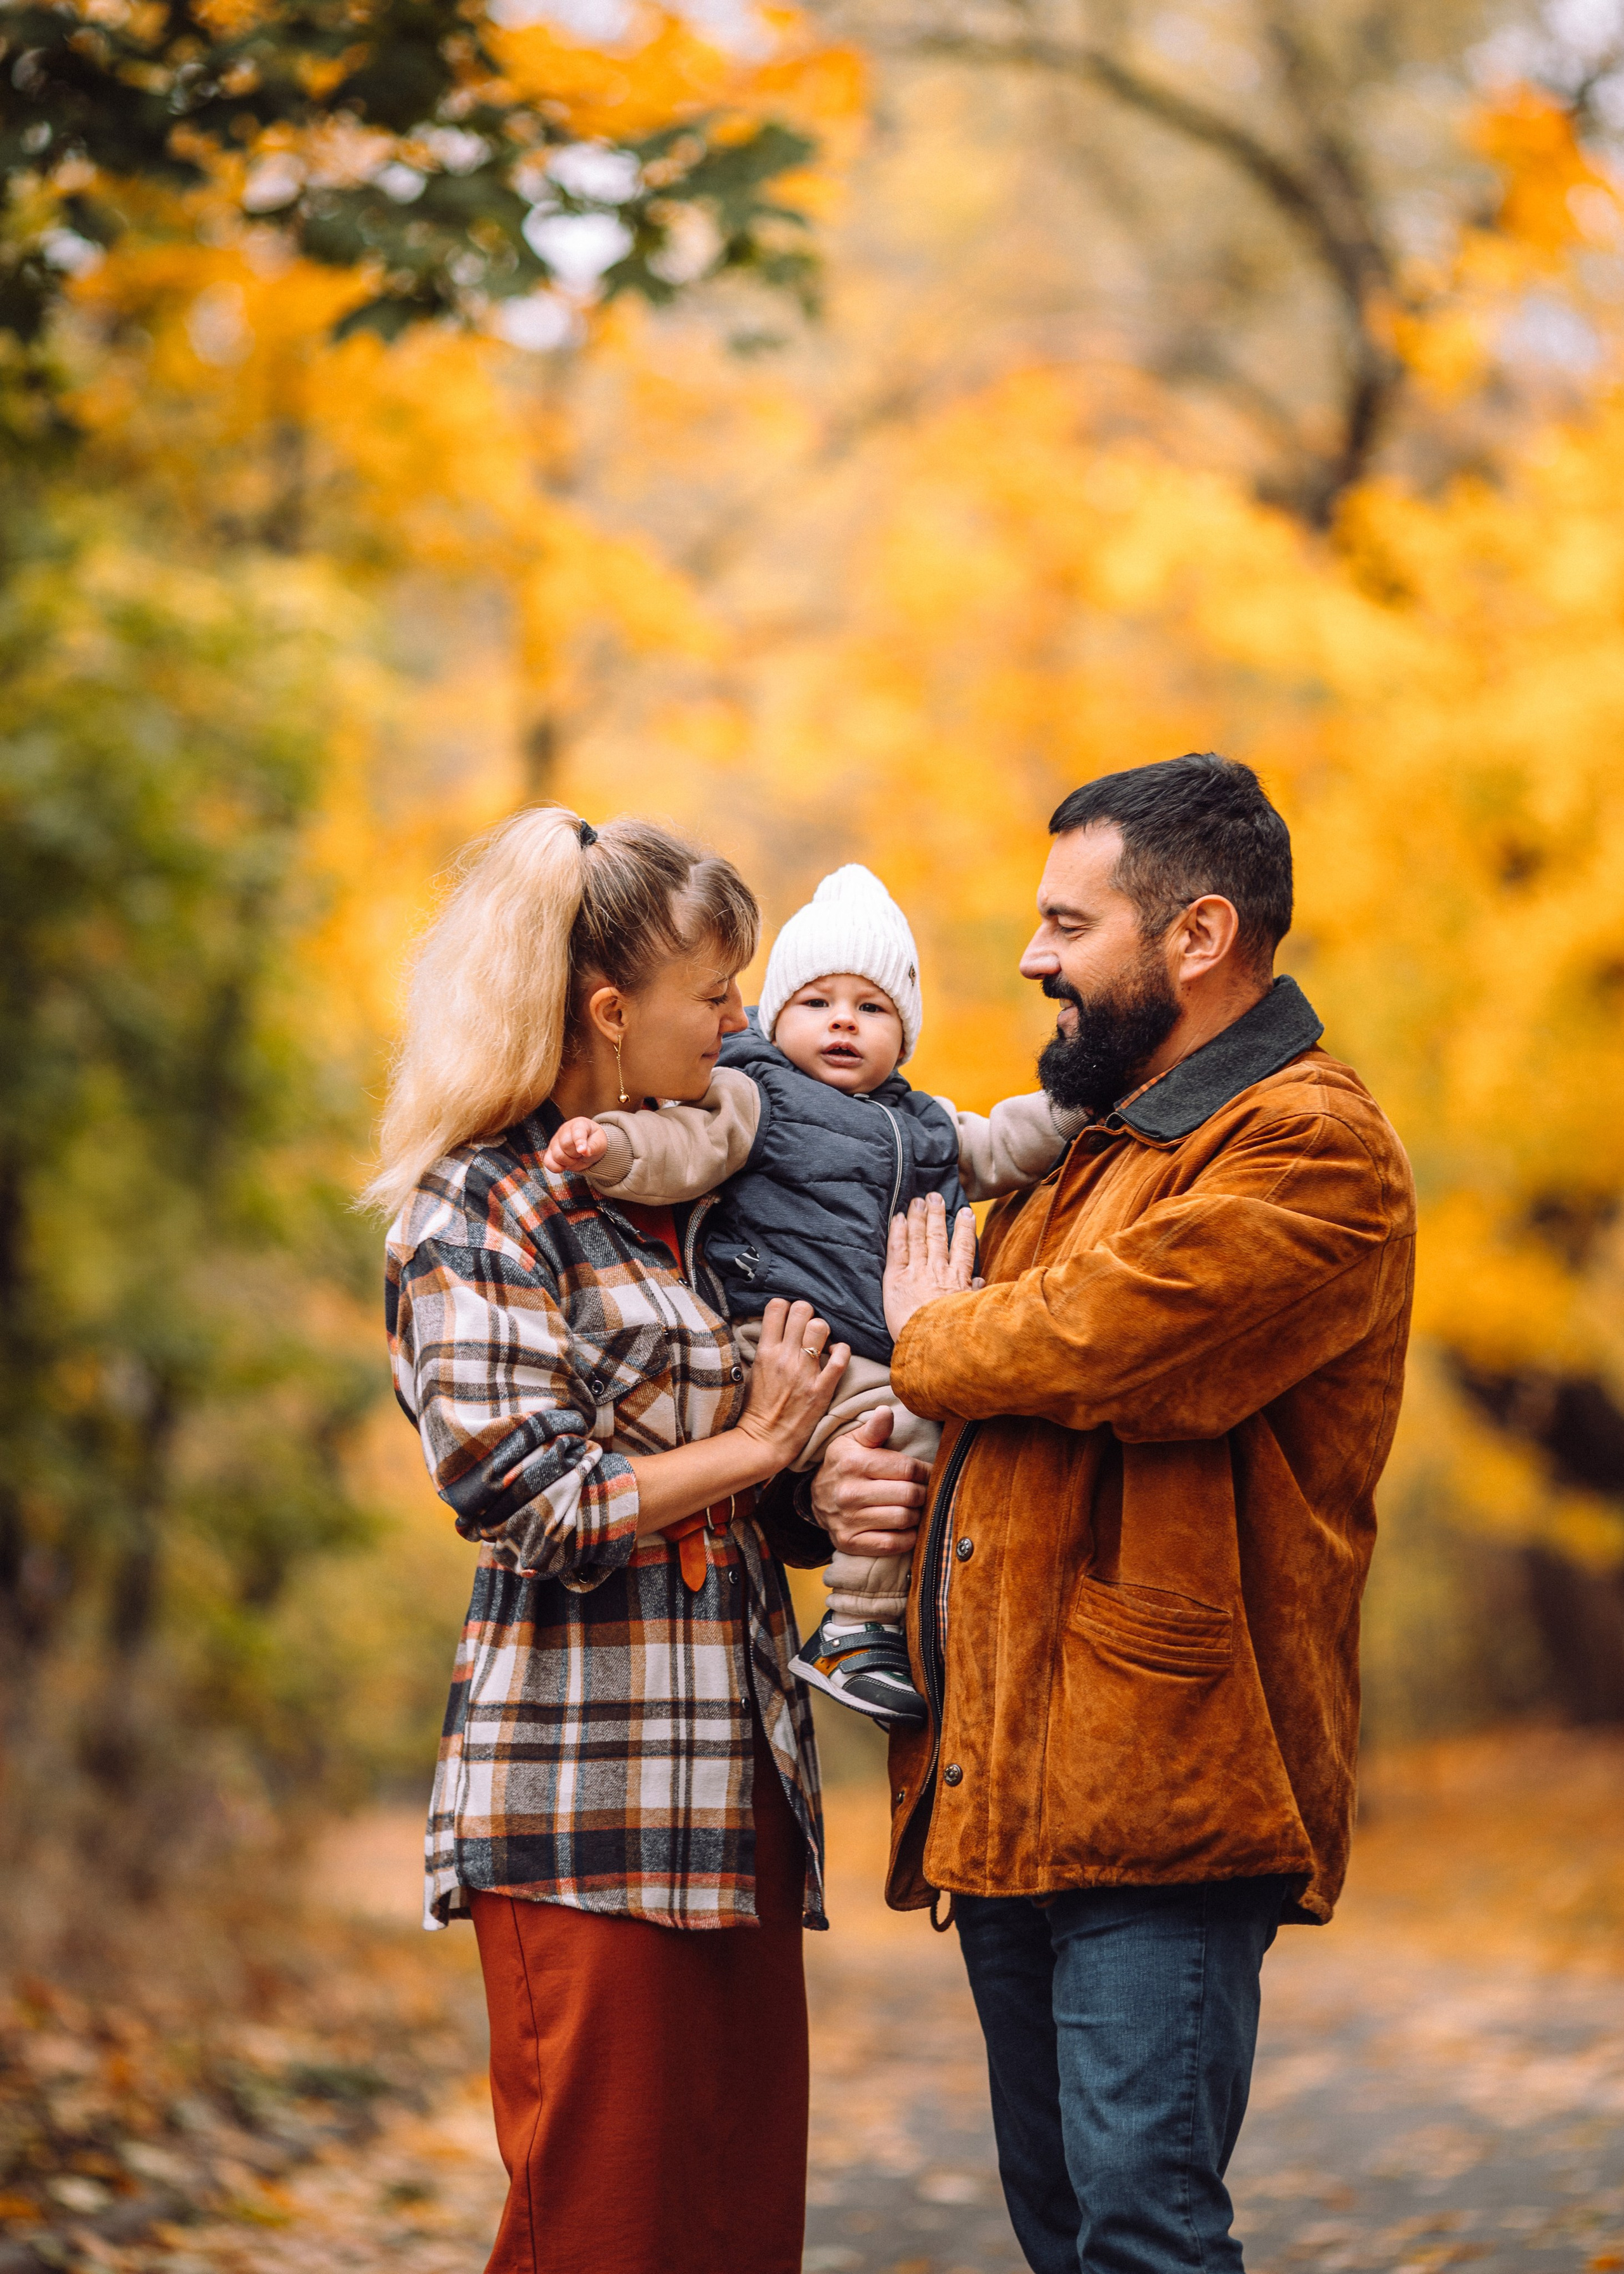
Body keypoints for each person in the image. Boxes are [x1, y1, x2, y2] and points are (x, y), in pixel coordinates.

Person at [804, 753, 1417, 2274]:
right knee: (1064, 2228)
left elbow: (1112, 1345)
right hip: (1004, 1786)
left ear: (1195, 937)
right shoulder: (1095, 1146)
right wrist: (855, 1476)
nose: (1030, 959)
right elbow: (995, 1412)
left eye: (1066, 925)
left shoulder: (1310, 1146)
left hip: (1164, 1795)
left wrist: (934, 1343)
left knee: (1143, 2233)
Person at [368, 808, 848, 2274]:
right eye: (715, 993)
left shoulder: (688, 1203)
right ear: (607, 1008)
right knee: (602, 2228)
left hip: (741, 1783)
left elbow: (758, 1463)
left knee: (734, 2226)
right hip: (588, 1792)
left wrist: (816, 1485)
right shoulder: (473, 1207)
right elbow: (536, 1498)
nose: (741, 1019)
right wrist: (754, 1445)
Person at [543, 860, 1085, 1728]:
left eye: (871, 1009)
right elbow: (684, 1146)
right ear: (773, 1015)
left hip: (878, 1349)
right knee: (893, 1434)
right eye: (817, 1002)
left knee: (936, 1449)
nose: (843, 1021)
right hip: (785, 1340)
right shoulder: (754, 1096)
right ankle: (857, 1626)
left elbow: (1007, 1144)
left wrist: (1076, 1106)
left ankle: (920, 1620)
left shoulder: (927, 1124)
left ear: (901, 1037)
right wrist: (607, 1148)